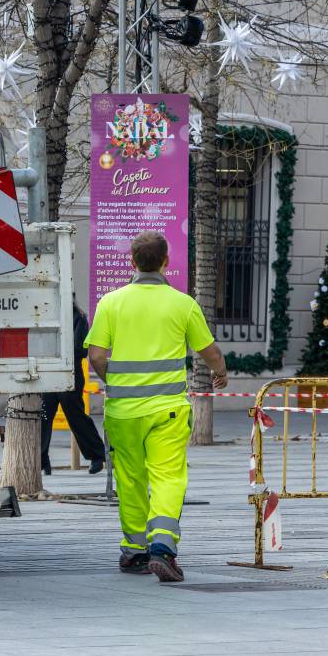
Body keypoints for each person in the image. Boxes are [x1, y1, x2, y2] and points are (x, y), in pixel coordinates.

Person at [85, 231, 227, 583]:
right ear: (166, 262)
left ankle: (134, 552)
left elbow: (97, 356)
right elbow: (208, 351)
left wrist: (113, 381)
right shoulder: (183, 304)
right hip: (168, 411)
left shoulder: (111, 303)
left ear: (131, 262)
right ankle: (163, 548)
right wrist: (219, 373)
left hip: (123, 412)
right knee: (168, 476)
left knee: (130, 479)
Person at [40, 301, 105, 475]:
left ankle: (97, 455)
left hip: (69, 371)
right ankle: (41, 459)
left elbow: (80, 348)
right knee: (44, 415)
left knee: (74, 415)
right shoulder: (48, 312)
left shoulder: (77, 316)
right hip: (49, 370)